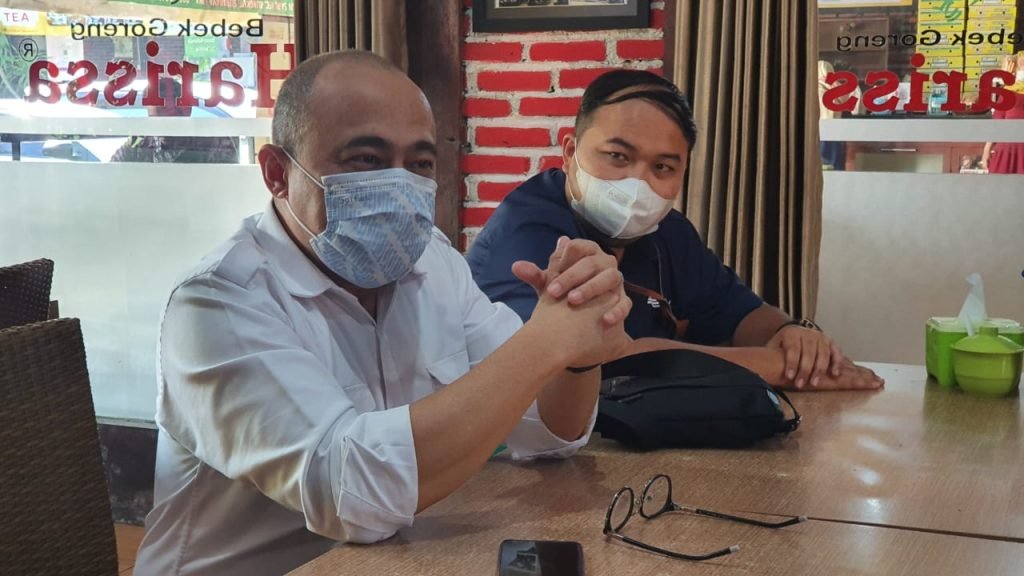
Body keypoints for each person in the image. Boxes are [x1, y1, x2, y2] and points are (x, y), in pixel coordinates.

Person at [133, 51, 632, 575]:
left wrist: (577, 347)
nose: (399, 187)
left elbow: (546, 433)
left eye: (419, 164)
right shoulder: (218, 302)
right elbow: (351, 495)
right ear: (278, 173)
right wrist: (544, 344)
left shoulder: (434, 263)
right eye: (366, 159)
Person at [468, 69, 883, 391]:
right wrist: (780, 367)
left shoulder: (666, 232)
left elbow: (736, 311)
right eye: (617, 156)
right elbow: (598, 360)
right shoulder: (530, 235)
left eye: (662, 167)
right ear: (570, 151)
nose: (637, 184)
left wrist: (791, 335)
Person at [111, 77, 240, 164]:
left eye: (173, 110)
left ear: (187, 109)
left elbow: (231, 184)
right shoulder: (137, 144)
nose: (165, 118)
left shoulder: (215, 142)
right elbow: (112, 175)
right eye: (158, 111)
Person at [981, 51, 1024, 175]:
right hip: (1008, 149)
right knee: (1001, 184)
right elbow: (997, 123)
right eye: (1021, 65)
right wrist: (986, 150)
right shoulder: (1007, 93)